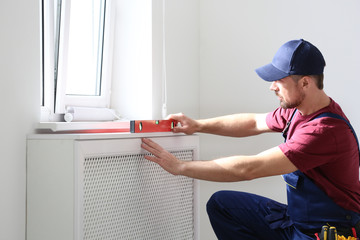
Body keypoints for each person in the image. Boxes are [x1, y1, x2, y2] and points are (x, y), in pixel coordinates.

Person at [141, 39, 360, 240]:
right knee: (223, 205)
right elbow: (253, 123)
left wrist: (181, 167)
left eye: (279, 80)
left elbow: (249, 169)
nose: (272, 86)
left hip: (324, 232)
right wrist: (198, 125)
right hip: (297, 223)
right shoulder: (298, 111)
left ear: (304, 83)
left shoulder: (323, 131)